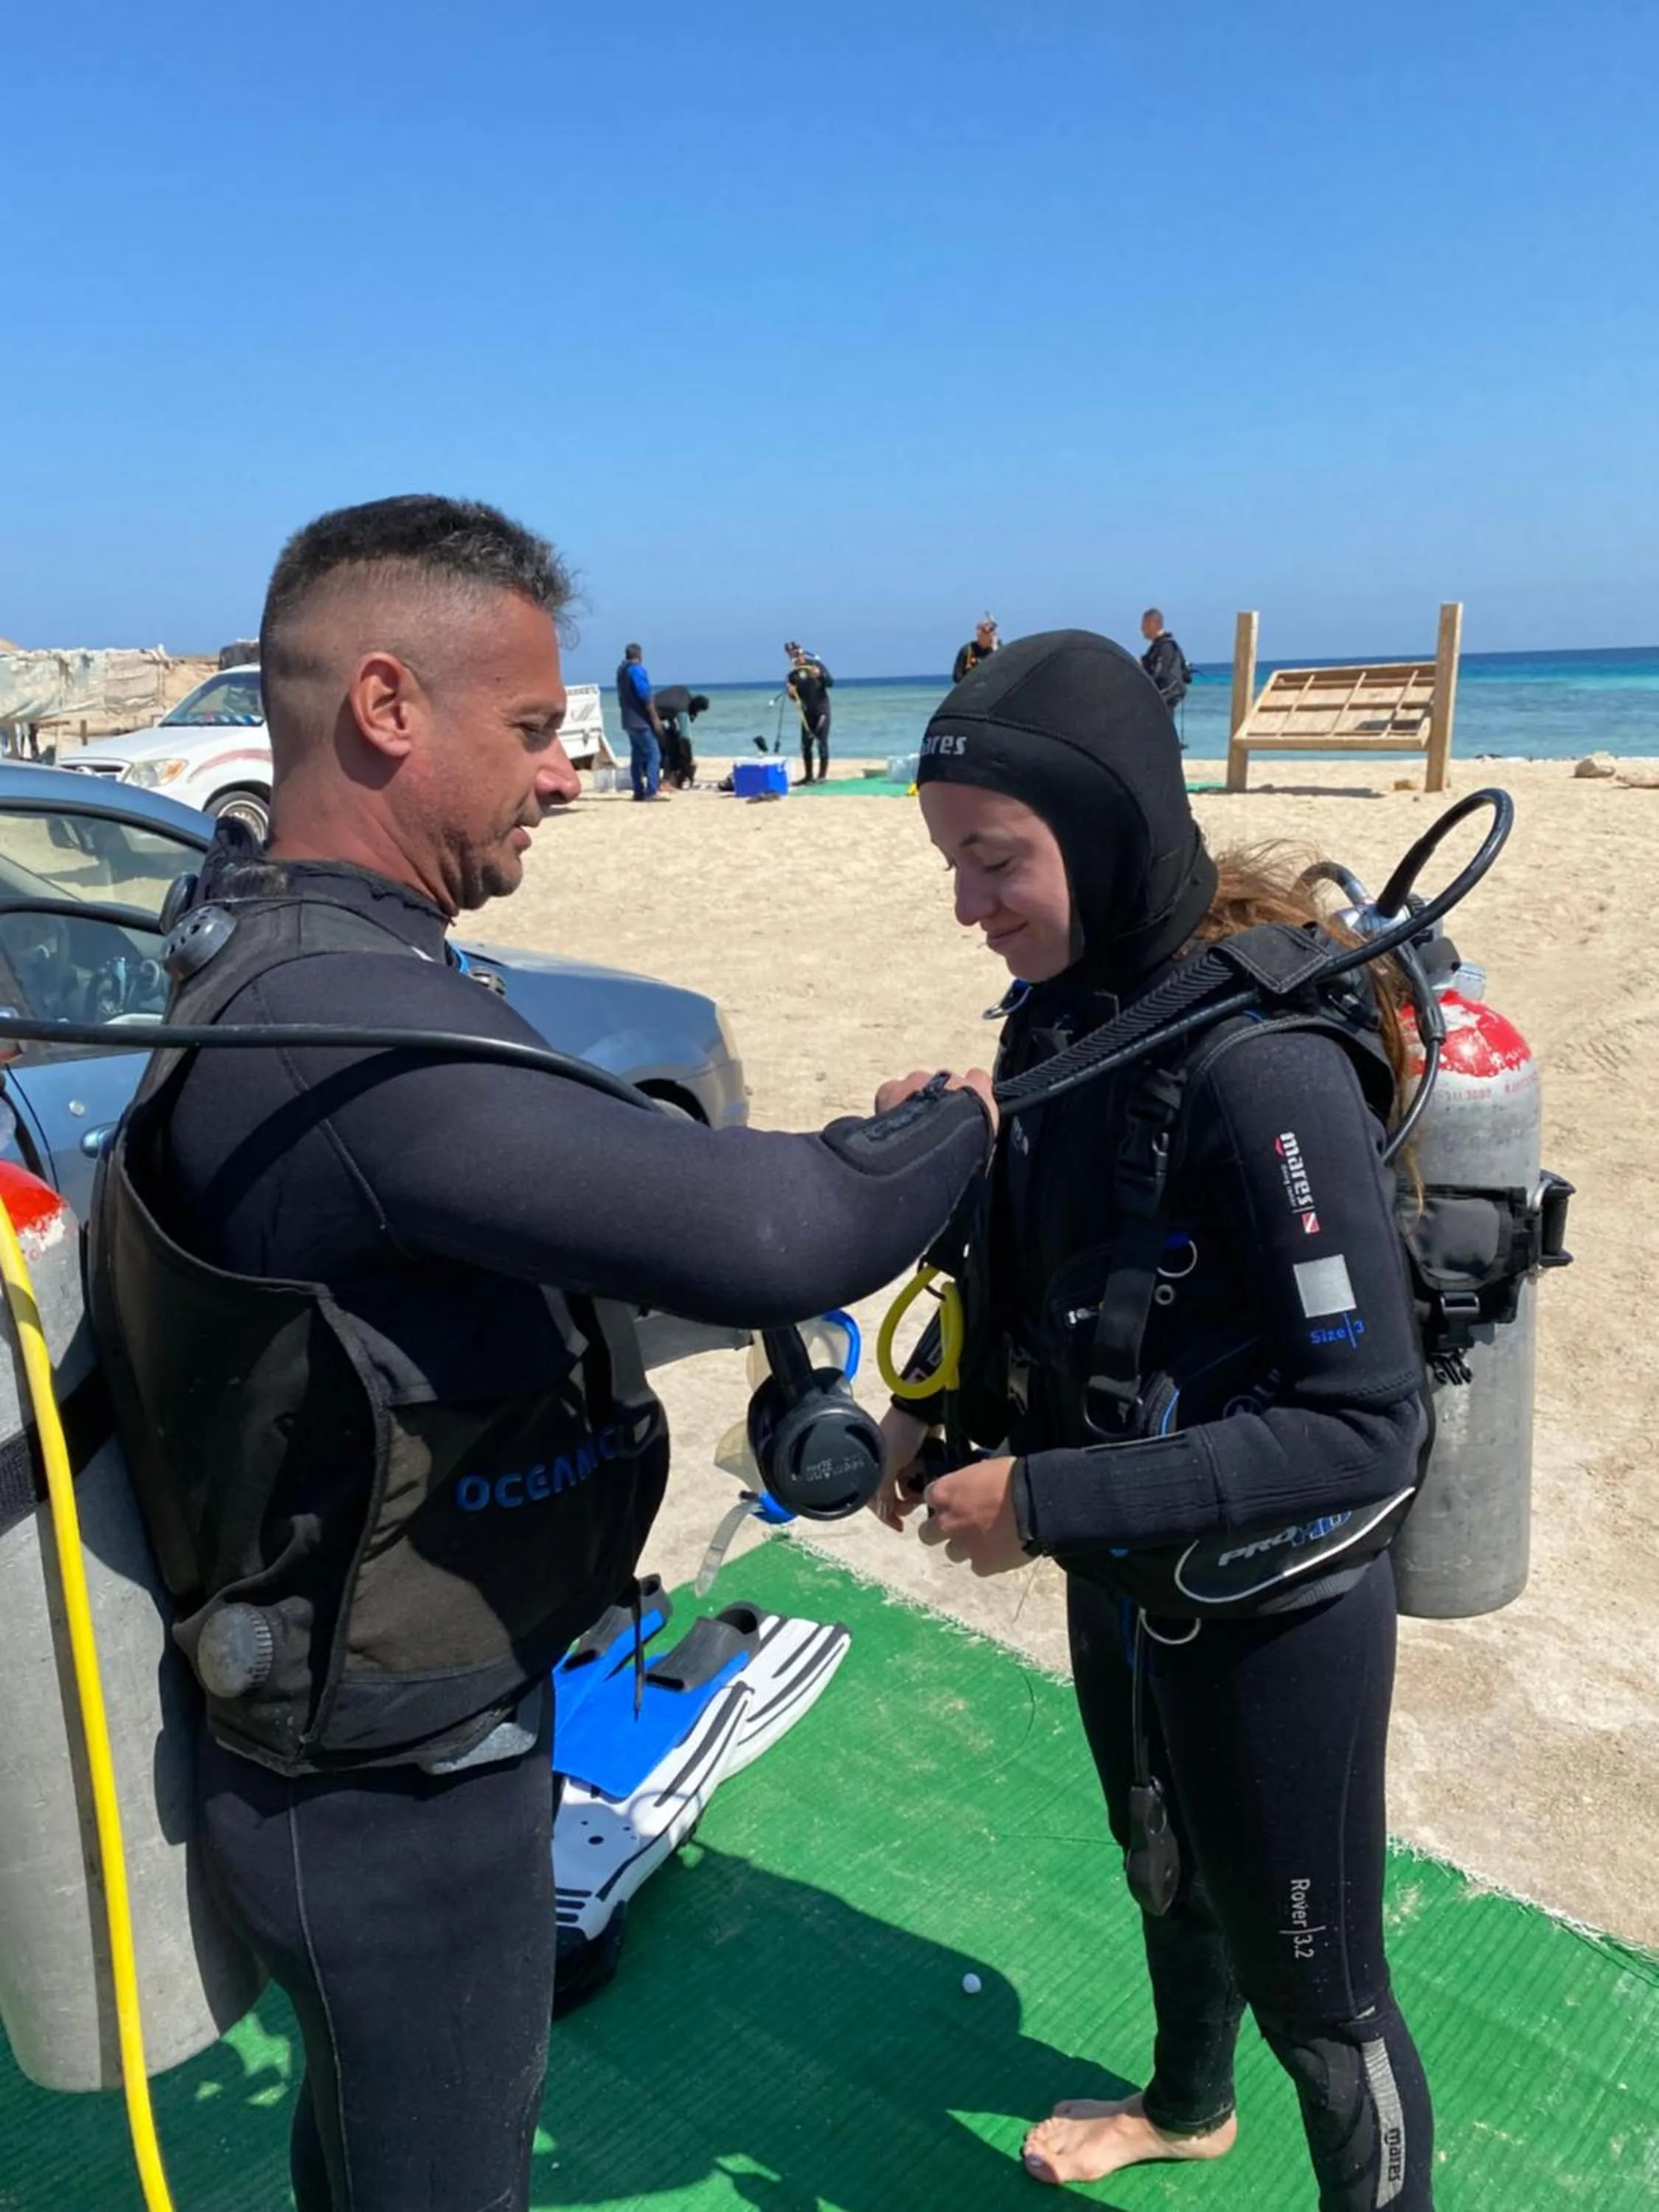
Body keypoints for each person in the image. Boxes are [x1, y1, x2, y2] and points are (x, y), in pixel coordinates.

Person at [93, 494, 998, 2212]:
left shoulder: (313, 965)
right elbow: (769, 1234)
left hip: (401, 1743)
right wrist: (952, 1129)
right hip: (387, 1801)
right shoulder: (321, 1032)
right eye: (529, 730)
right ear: (383, 707)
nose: (569, 773)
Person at [872, 630, 1436, 2206]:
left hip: (1275, 1601)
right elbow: (1063, 1280)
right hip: (1131, 1574)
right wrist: (945, 1410)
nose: (968, 906)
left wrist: (1041, 1504)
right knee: (1165, 1868)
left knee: (1327, 2008)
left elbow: (1368, 1434)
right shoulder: (1061, 1017)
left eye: (997, 862)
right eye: (952, 863)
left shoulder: (1268, 1074)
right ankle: (1190, 2107)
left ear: (1110, 830)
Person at [616, 641, 669, 800]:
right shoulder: (636, 670)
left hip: (627, 719)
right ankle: (652, 790)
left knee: (637, 756)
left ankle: (638, 791)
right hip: (640, 720)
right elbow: (645, 695)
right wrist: (655, 719)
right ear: (639, 655)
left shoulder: (621, 672)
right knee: (654, 754)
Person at [785, 640, 833, 782]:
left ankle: (822, 776)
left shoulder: (815, 665)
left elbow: (830, 683)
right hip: (806, 713)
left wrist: (819, 675)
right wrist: (791, 693)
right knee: (806, 745)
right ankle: (808, 776)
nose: (796, 658)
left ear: (802, 652)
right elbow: (795, 698)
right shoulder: (793, 675)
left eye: (797, 654)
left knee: (822, 743)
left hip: (821, 710)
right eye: (792, 656)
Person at [1139, 608, 1192, 716]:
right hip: (1163, 699)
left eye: (1143, 625)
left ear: (1152, 624)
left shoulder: (1166, 647)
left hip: (1165, 698)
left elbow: (1160, 675)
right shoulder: (1158, 647)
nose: (1141, 629)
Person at [951, 614, 1000, 684]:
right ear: (978, 633)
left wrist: (995, 649)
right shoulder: (967, 650)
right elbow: (957, 677)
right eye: (986, 631)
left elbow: (1003, 671)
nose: (990, 635)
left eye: (992, 631)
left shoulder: (999, 649)